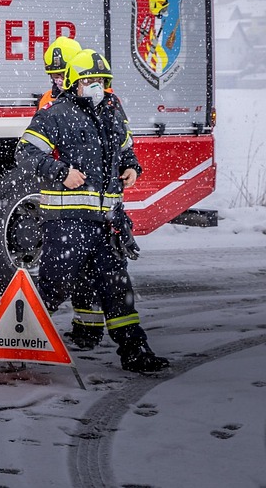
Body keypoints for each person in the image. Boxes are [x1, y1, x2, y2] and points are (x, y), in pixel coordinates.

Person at [16, 49, 169, 373]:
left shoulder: (113, 110)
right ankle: (14, 345)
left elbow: (125, 148)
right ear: (74, 83)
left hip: (107, 221)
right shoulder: (55, 113)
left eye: (100, 80)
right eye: (88, 80)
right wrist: (61, 172)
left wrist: (131, 167)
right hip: (68, 221)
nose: (95, 85)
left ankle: (135, 351)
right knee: (53, 287)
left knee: (116, 287)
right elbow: (25, 153)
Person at [34, 36, 104, 350]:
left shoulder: (101, 103)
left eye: (62, 74)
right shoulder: (50, 102)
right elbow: (37, 147)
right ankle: (77, 328)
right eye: (52, 75)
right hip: (62, 197)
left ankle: (84, 329)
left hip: (89, 199)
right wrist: (57, 171)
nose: (57, 80)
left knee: (82, 268)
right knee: (65, 267)